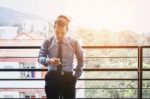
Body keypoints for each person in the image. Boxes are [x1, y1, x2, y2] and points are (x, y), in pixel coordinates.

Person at [38, 15, 84, 99]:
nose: (59, 35)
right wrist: (49, 60)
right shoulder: (47, 42)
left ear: (67, 30)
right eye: (57, 32)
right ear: (54, 29)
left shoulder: (74, 43)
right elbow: (40, 58)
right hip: (52, 77)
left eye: (63, 33)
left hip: (68, 78)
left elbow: (81, 60)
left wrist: (76, 76)